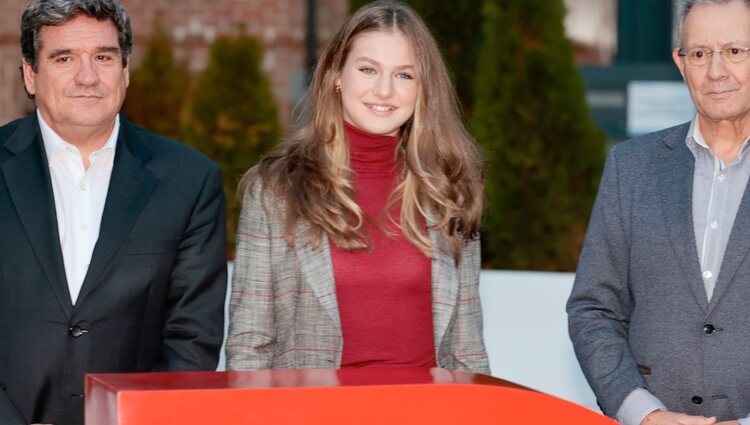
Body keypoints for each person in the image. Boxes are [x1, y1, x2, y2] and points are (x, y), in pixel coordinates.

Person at [226, 0, 488, 373]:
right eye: (368, 70)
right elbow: (249, 345)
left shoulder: (449, 189)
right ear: (336, 73)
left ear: (423, 88)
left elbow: (467, 352)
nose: (384, 91)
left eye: (404, 75)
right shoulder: (275, 190)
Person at [0, 0, 227, 424]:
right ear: (31, 74)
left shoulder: (188, 180)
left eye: (103, 57)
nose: (87, 77)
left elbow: (191, 338)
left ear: (125, 71)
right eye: (64, 58)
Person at [567, 0, 750, 424]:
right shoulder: (631, 167)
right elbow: (594, 309)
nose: (717, 71)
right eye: (700, 53)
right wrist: (644, 414)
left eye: (735, 51)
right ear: (680, 63)